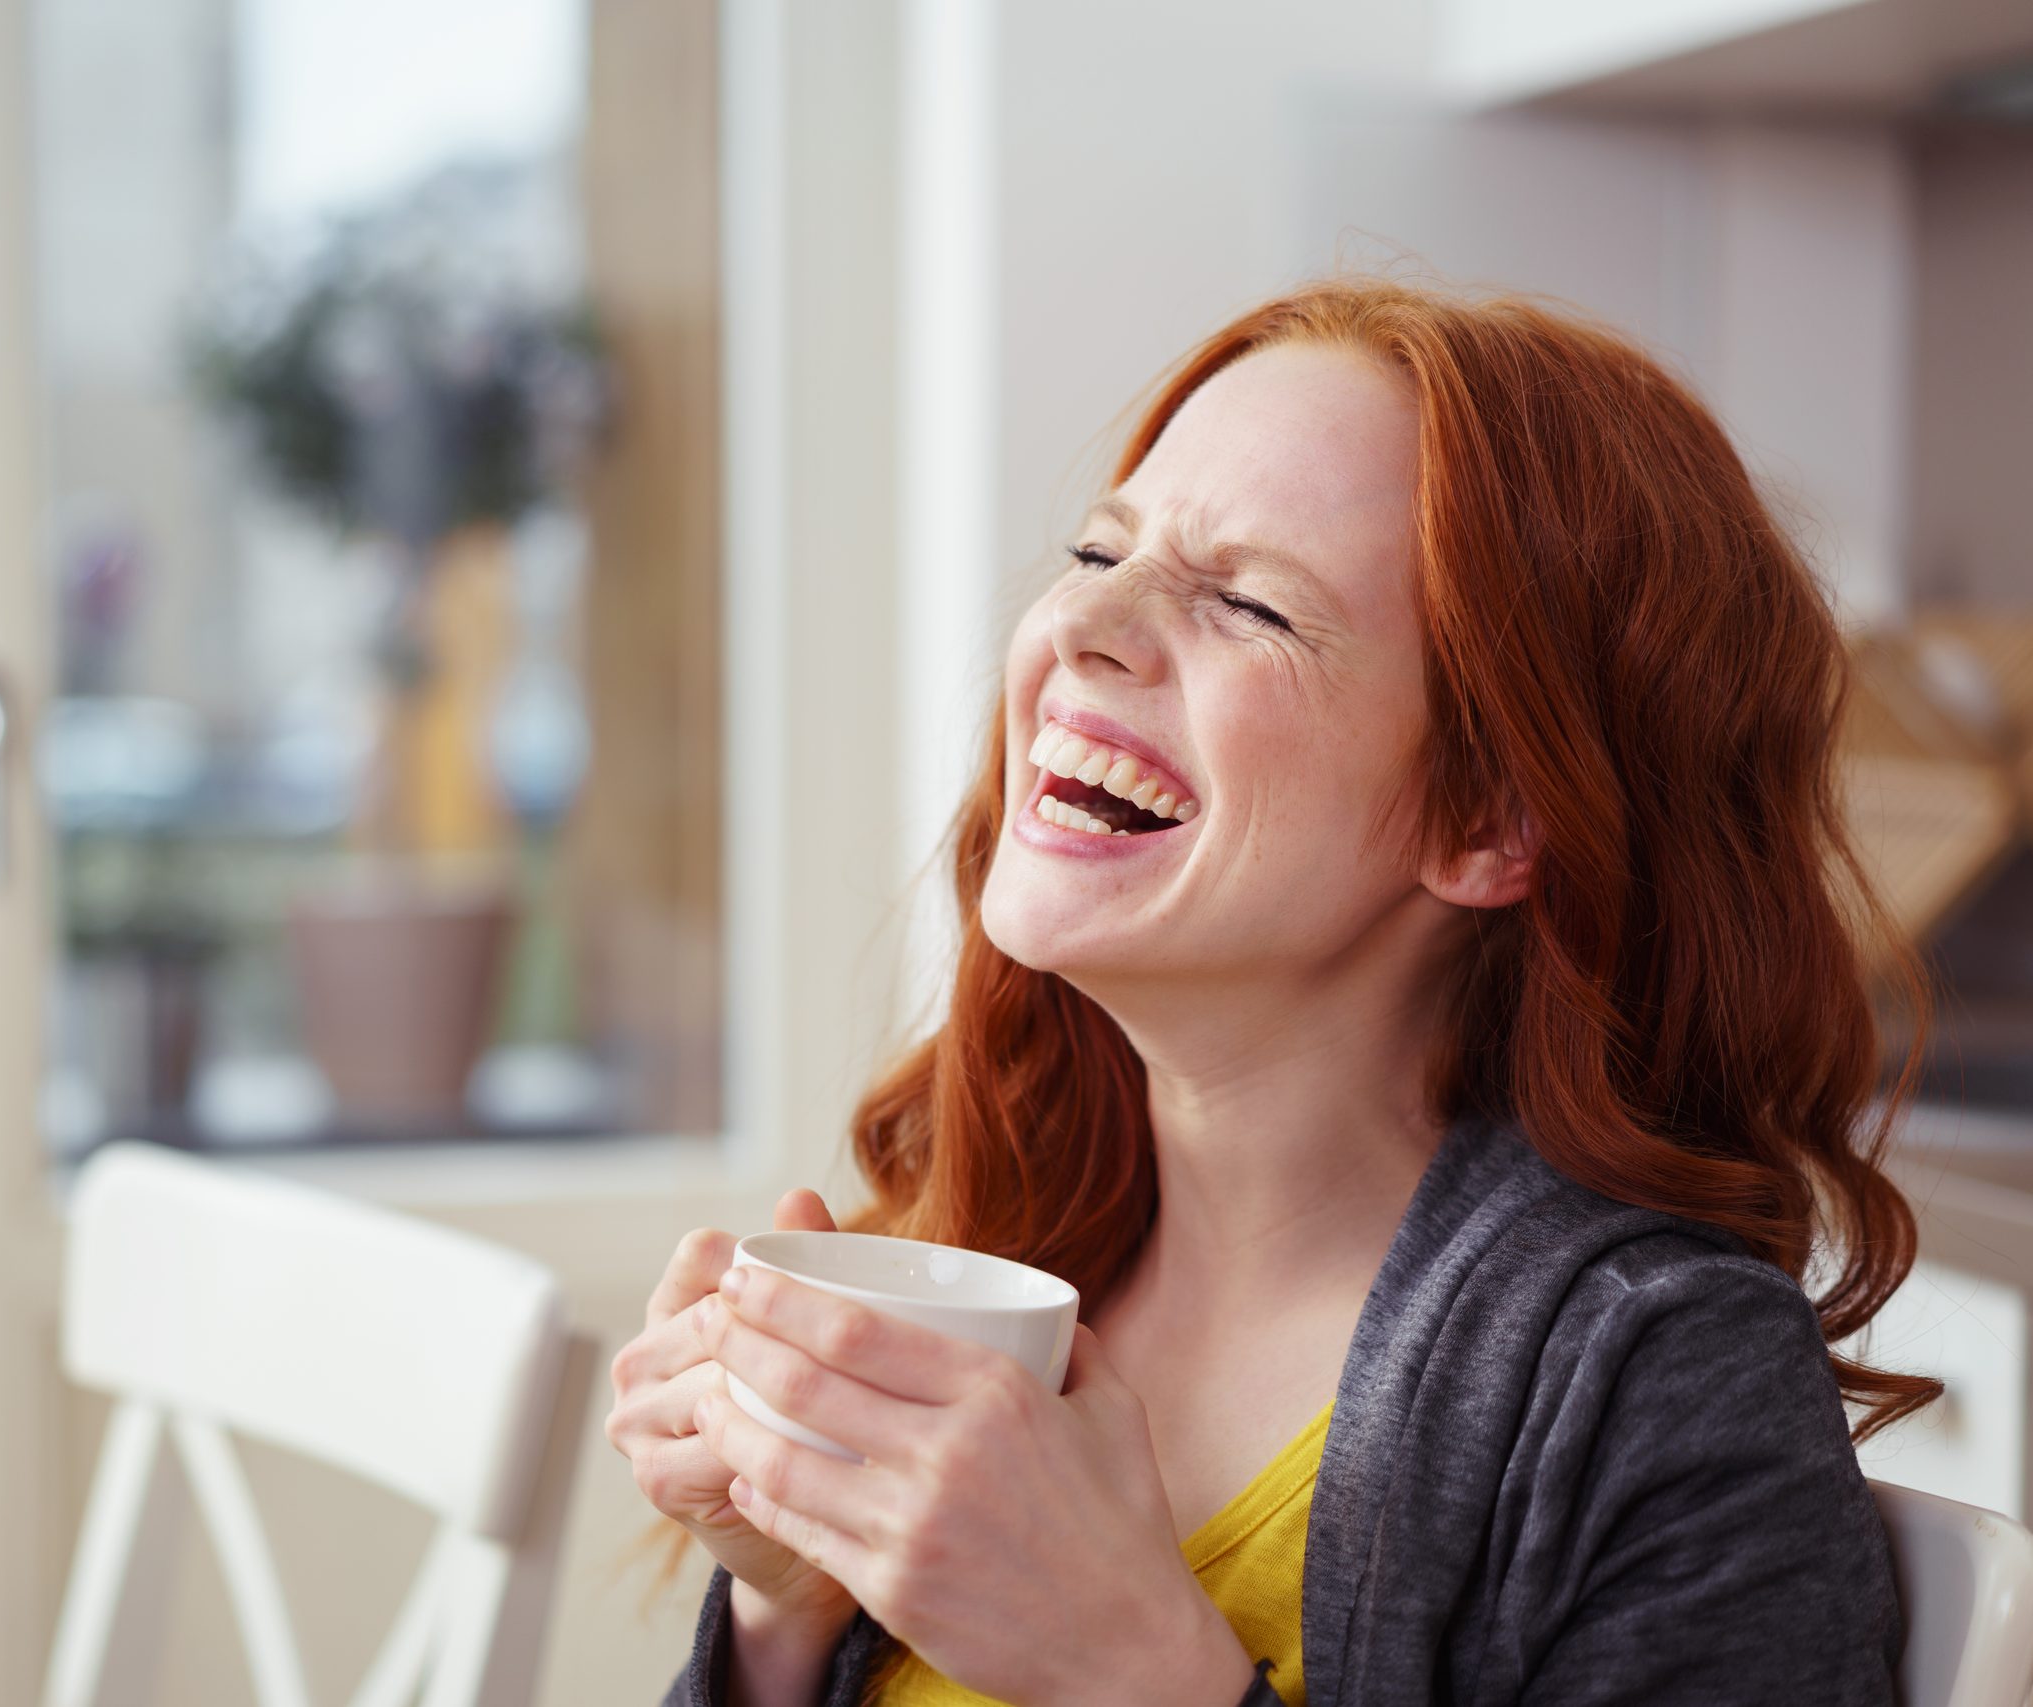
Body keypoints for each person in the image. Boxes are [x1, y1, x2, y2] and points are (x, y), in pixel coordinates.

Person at [605, 277, 1933, 1707]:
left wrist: (1131, 1670)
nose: (1082, 629)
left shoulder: (1656, 1386)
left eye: (1248, 604)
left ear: (1489, 817)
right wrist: (788, 1612)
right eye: (1094, 550)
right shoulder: (1012, 1250)